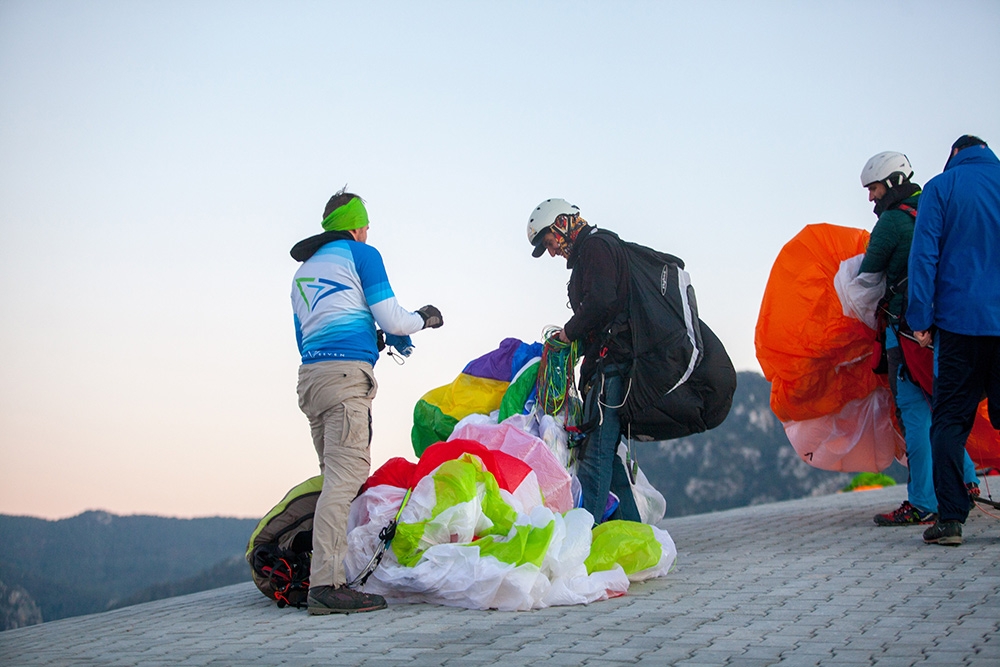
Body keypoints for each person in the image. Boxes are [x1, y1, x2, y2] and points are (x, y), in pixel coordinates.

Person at [290, 188, 443, 612]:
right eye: (367, 225)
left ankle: (329, 573)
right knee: (347, 479)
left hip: (311, 379)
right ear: (357, 226)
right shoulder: (362, 255)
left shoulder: (303, 273)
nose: (368, 231)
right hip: (345, 381)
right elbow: (393, 317)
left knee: (332, 479)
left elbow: (308, 335)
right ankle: (325, 586)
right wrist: (424, 319)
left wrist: (366, 338)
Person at [857, 152, 978, 526]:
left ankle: (924, 500)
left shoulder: (892, 223)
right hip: (946, 328)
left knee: (914, 412)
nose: (871, 198)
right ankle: (968, 482)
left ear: (891, 183)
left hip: (905, 329)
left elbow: (867, 274)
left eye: (874, 188)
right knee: (942, 405)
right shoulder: (937, 209)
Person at [908, 135, 1000, 546]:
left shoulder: (940, 188)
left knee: (948, 420)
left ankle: (951, 521)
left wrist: (920, 319)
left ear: (954, 156)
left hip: (960, 324)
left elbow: (924, 254)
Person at [527, 198, 641, 526]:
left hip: (611, 366)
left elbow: (602, 301)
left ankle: (580, 542)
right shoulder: (594, 250)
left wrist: (568, 333)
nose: (552, 252)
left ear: (562, 223)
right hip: (608, 366)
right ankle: (635, 536)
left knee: (595, 456)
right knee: (608, 458)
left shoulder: (595, 247)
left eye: (550, 242)